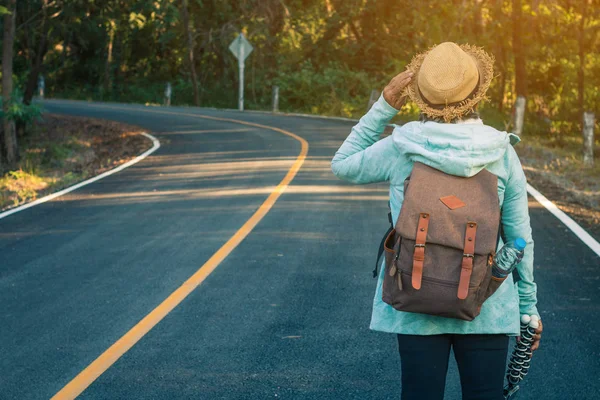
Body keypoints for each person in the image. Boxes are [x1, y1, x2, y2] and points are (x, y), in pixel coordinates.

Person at [331, 42, 543, 400]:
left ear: (420, 96)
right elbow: (521, 239)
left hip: (415, 300)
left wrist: (384, 106)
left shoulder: (402, 146)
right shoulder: (501, 152)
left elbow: (343, 163)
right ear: (477, 93)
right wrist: (528, 310)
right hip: (485, 304)